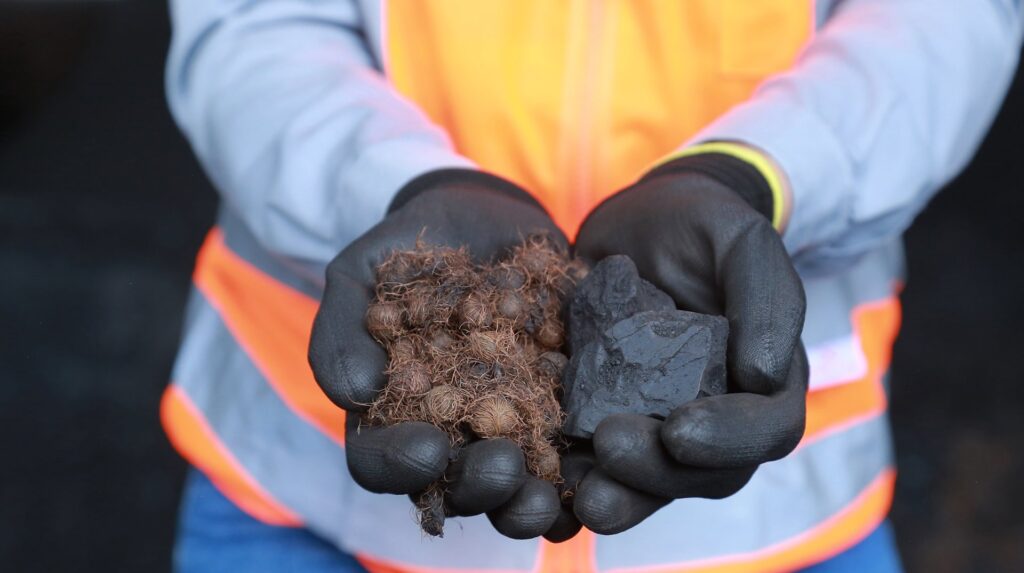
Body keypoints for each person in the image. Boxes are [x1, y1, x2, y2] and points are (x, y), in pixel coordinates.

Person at [161, 1, 1023, 571]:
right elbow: (255, 24)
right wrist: (398, 187)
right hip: (298, 494)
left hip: (777, 525)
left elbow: (941, 20)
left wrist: (758, 171)